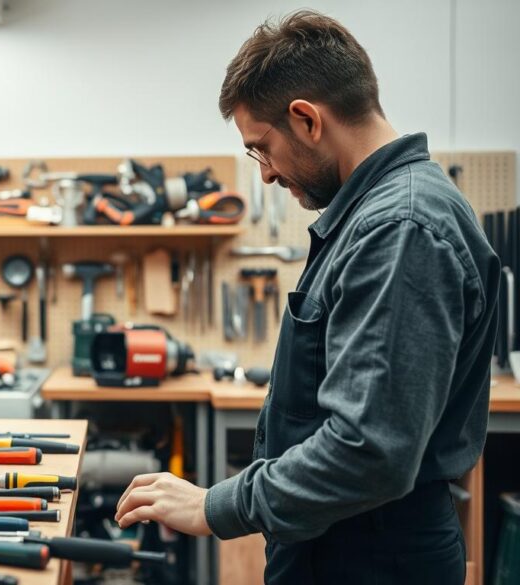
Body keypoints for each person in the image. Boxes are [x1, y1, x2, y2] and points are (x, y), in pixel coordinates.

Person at [115, 10, 500, 584]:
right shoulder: (374, 216)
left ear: (306, 119)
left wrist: (213, 505)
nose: (266, 174)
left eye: (261, 149)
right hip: (344, 544)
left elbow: (369, 451)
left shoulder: (400, 229)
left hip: (370, 558)